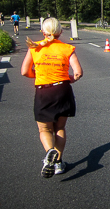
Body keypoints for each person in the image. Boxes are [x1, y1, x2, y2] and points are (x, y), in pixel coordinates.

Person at [21, 18, 83, 178]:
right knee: (60, 129)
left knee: (44, 129)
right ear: (60, 32)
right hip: (62, 90)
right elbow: (78, 73)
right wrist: (68, 78)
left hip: (43, 92)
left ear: (43, 32)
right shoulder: (68, 48)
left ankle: (49, 153)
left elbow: (24, 72)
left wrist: (41, 74)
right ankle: (58, 163)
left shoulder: (33, 48)